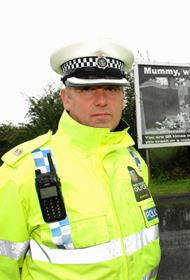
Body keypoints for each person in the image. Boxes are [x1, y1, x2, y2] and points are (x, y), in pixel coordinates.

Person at [0, 38, 160, 279]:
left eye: (112, 89)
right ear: (65, 98)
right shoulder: (23, 170)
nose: (102, 100)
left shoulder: (133, 160)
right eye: (86, 89)